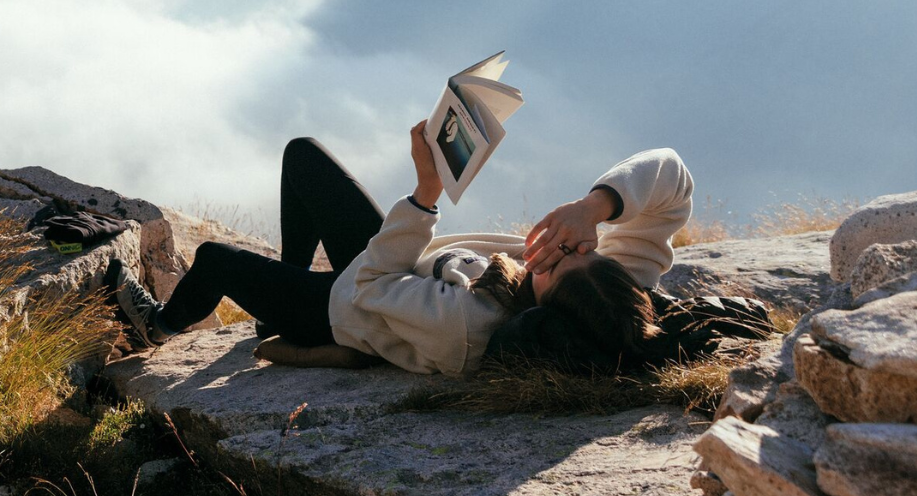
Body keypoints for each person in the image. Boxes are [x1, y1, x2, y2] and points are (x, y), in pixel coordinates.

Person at [108, 121, 693, 376]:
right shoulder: (615, 289)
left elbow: (368, 285)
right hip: (396, 259)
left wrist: (425, 193)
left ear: (540, 313)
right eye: (581, 251)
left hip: (348, 307)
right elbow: (671, 177)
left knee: (213, 261)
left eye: (557, 268)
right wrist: (596, 208)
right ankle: (271, 303)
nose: (557, 250)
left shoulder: (465, 325)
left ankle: (156, 328)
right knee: (302, 155)